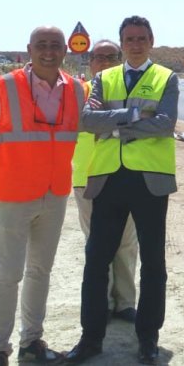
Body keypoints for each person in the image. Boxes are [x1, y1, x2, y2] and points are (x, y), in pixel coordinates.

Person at [66, 16, 179, 365]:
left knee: (153, 263)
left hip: (149, 180)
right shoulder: (103, 78)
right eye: (129, 39)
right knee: (96, 260)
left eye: (141, 38)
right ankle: (91, 337)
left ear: (151, 40)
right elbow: (86, 119)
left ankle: (148, 338)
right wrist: (135, 115)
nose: (135, 44)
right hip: (108, 179)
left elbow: (165, 124)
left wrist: (114, 122)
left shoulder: (166, 78)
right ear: (121, 42)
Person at [0, 26, 85, 366]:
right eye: (42, 45)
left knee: (40, 270)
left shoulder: (78, 90)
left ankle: (31, 341)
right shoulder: (4, 88)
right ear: (29, 49)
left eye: (55, 45)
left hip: (54, 195)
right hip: (12, 194)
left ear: (64, 51)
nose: (49, 51)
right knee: (8, 273)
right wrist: (17, 164)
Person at [72, 40, 139, 323]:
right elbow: (82, 123)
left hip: (126, 175)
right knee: (96, 244)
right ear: (90, 62)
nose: (104, 62)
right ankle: (102, 301)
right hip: (87, 177)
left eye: (110, 57)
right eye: (98, 57)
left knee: (125, 242)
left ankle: (124, 302)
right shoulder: (80, 93)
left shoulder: (131, 92)